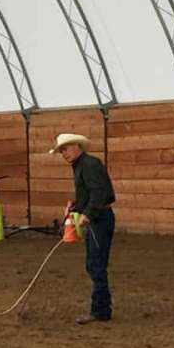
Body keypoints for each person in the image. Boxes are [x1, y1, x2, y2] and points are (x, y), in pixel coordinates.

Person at [49, 133, 116, 324]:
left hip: (99, 219)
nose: (64, 153)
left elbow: (99, 192)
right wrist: (76, 207)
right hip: (99, 218)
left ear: (76, 146)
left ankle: (100, 310)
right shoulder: (84, 164)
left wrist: (88, 213)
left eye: (65, 149)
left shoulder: (88, 164)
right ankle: (101, 309)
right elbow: (91, 193)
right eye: (62, 151)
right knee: (95, 264)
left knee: (96, 264)